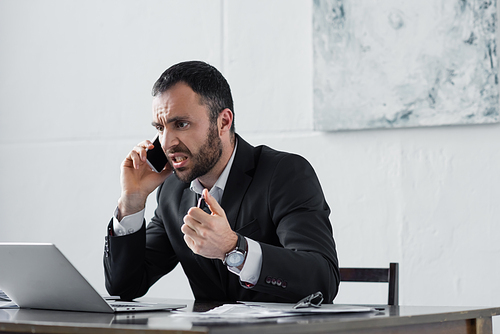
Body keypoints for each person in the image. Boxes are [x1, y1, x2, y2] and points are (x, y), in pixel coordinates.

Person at [104, 60, 340, 303]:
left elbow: (323, 280)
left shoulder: (284, 173)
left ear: (223, 122)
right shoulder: (172, 191)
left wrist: (234, 249)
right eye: (160, 128)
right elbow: (125, 286)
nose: (167, 143)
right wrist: (131, 203)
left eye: (181, 124)